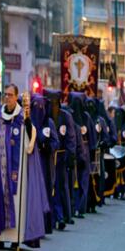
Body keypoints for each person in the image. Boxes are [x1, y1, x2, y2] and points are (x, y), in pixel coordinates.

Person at [0, 85, 49, 250]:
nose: (7, 98)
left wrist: (28, 136)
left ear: (16, 97)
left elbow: (32, 136)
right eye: (6, 95)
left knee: (18, 200)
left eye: (10, 95)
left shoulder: (22, 117)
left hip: (18, 170)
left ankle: (17, 238)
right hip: (1, 170)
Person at [45, 89, 76, 229]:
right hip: (48, 158)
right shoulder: (45, 117)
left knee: (59, 188)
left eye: (56, 103)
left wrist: (70, 155)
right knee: (49, 187)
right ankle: (52, 218)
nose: (54, 107)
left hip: (61, 158)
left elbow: (70, 137)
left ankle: (61, 216)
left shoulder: (65, 116)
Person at [30, 93, 59, 236]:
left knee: (46, 193)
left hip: (45, 164)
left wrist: (49, 147)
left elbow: (55, 141)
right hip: (31, 163)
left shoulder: (49, 123)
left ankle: (46, 225)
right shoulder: (28, 122)